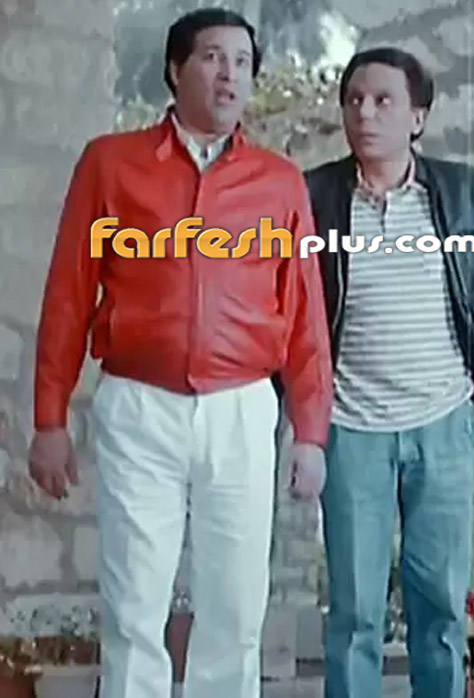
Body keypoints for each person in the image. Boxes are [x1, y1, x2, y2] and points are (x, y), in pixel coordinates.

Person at [28, 8, 333, 698]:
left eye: (243, 62)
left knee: (236, 606)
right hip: (139, 404)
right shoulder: (111, 164)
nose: (230, 75)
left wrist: (311, 431)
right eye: (213, 58)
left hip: (242, 409)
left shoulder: (279, 182)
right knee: (135, 602)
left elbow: (305, 315)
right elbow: (69, 293)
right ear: (175, 69)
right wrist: (49, 417)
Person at [305, 47, 474, 698]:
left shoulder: (463, 192)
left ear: (418, 117)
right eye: (354, 100)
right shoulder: (314, 196)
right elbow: (291, 311)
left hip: (444, 425)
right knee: (354, 614)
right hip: (351, 430)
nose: (364, 113)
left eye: (383, 101)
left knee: (441, 610)